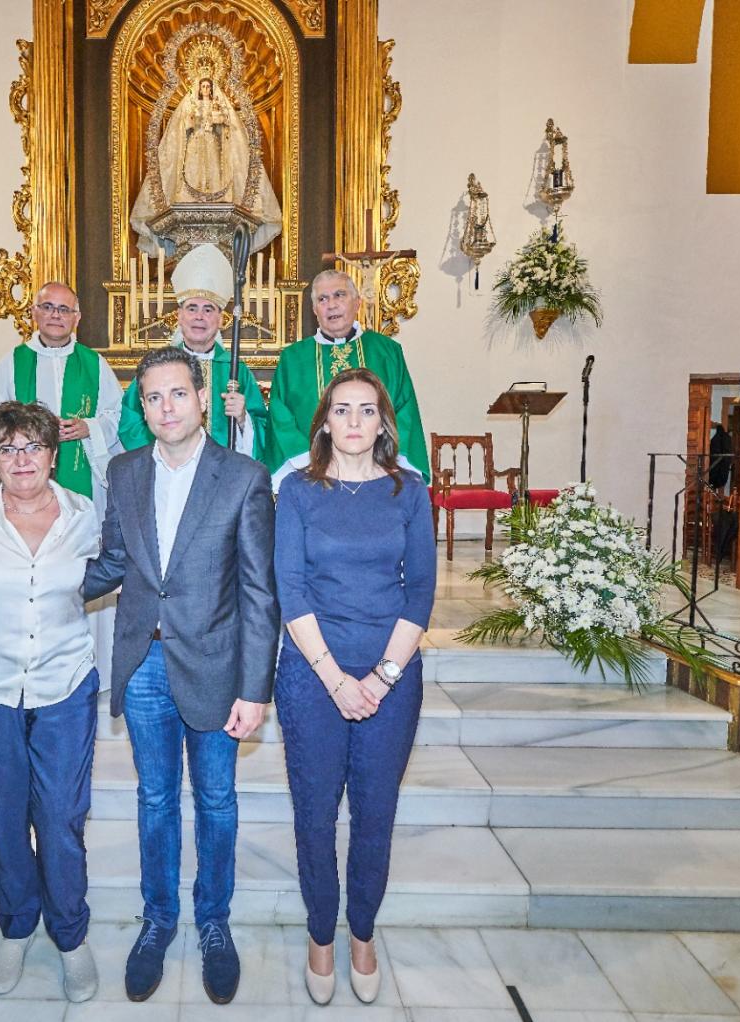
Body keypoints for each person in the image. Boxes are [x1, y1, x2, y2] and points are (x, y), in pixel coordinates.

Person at [83, 345, 279, 1005]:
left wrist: (254, 689)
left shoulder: (243, 477)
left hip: (217, 665)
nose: (165, 407)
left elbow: (260, 593)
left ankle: (214, 920)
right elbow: (114, 561)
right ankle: (159, 918)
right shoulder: (125, 471)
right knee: (155, 799)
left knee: (217, 800)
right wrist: (38, 585)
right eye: (152, 397)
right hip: (144, 663)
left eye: (177, 393)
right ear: (142, 408)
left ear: (201, 399)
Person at [272, 368, 435, 1006]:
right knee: (315, 815)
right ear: (324, 422)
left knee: (375, 813)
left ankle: (362, 932)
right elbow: (292, 589)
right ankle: (321, 934)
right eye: (341, 410)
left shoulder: (408, 491)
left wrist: (383, 677)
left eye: (367, 410)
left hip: (391, 673)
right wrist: (337, 680)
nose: (354, 422)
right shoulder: (298, 490)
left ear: (383, 422)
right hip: (313, 675)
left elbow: (420, 592)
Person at [0, 401, 102, 1003]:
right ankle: (16, 927)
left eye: (32, 446)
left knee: (61, 818)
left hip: (64, 683)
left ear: (53, 455)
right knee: (6, 816)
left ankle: (70, 935)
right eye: (7, 449)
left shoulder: (85, 515)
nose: (21, 460)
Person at [0, 281, 122, 691]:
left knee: (85, 568)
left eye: (65, 309)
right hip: (25, 494)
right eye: (49, 307)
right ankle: (31, 669)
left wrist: (89, 427)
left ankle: (92, 670)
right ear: (34, 313)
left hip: (83, 487)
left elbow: (119, 416)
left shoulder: (94, 365)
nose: (56, 315)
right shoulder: (11, 364)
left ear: (77, 318)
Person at [263, 269, 429, 489]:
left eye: (339, 295)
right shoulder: (293, 358)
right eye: (322, 299)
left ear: (357, 302)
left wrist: (386, 463)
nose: (331, 305)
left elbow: (405, 411)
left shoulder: (387, 352)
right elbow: (279, 415)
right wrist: (309, 461)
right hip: (312, 474)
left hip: (378, 473)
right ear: (314, 309)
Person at [118, 243, 267, 457]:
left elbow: (263, 430)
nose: (199, 317)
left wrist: (244, 419)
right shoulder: (158, 368)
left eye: (208, 310)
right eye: (192, 308)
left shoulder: (236, 370)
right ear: (179, 316)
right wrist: (162, 452)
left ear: (220, 319)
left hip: (222, 470)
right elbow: (130, 422)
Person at [130, 66, 282, 259]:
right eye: (202, 86)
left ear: (212, 88)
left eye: (208, 86)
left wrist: (218, 120)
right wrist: (192, 121)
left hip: (211, 143)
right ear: (198, 88)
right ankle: (190, 196)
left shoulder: (218, 105)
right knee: (194, 168)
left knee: (213, 168)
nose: (205, 89)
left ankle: (215, 195)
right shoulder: (190, 105)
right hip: (195, 143)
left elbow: (226, 129)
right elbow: (183, 128)